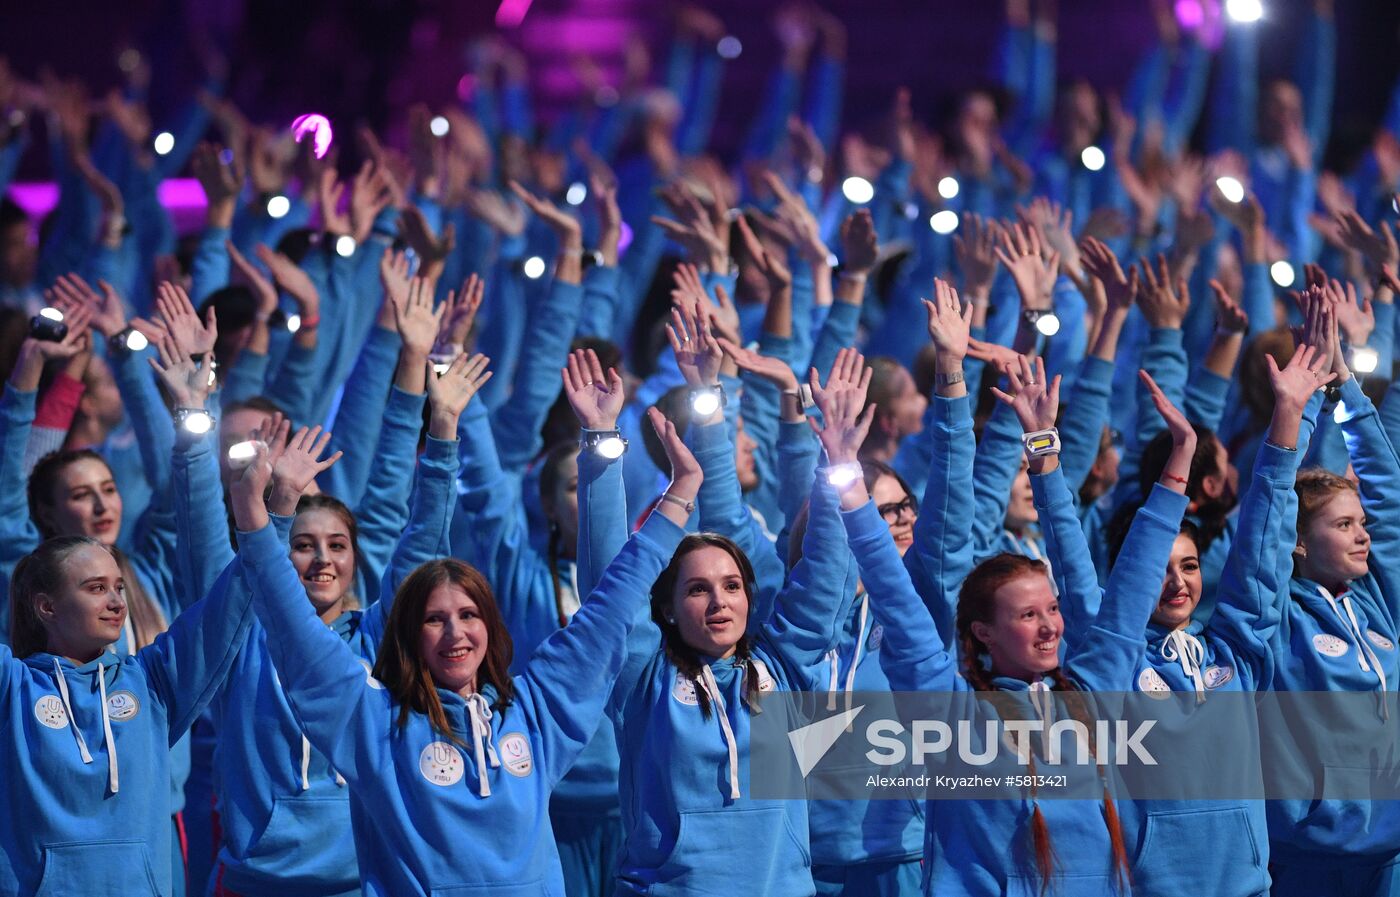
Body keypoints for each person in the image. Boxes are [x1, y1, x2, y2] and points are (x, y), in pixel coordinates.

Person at [229, 403, 701, 897]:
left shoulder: (782, 677)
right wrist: (260, 519)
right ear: (410, 636)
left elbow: (612, 605)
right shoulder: (376, 725)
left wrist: (682, 493)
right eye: (435, 620)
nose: (456, 633)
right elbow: (292, 624)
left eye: (468, 616)